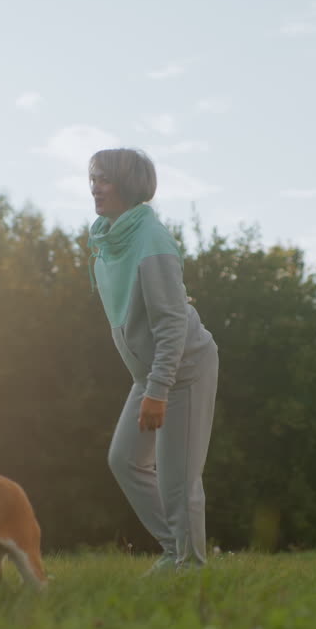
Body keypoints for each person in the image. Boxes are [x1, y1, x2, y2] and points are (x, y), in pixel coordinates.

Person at [86, 148, 219, 572]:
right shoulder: (108, 240)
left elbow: (172, 322)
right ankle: (174, 550)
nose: (95, 187)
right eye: (92, 178)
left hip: (185, 369)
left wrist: (158, 390)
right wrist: (150, 382)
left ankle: (191, 566)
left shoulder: (151, 240)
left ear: (127, 184)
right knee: (125, 459)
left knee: (178, 479)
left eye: (104, 179)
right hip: (152, 373)